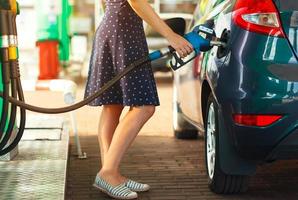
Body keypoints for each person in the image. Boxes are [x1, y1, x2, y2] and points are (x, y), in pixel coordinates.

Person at [84, 0, 193, 199]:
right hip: (123, 33)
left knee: (112, 105)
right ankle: (108, 172)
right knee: (144, 107)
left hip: (115, 28)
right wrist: (171, 36)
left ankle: (111, 173)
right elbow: (136, 2)